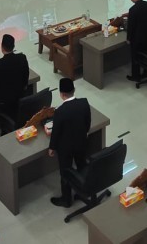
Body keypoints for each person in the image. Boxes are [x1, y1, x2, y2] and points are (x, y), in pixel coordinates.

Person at [48, 78, 92, 206]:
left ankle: (66, 199)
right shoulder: (84, 103)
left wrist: (52, 147)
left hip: (65, 148)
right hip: (81, 143)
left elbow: (56, 132)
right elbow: (87, 123)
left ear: (61, 94)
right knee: (82, 166)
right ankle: (83, 191)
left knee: (65, 172)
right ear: (74, 90)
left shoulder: (60, 111)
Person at [0, 34, 29, 135]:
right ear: (13, 46)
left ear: (2, 47)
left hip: (4, 103)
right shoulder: (22, 58)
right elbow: (26, 76)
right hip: (20, 97)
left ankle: (5, 130)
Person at [125, 0, 147, 83]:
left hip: (136, 39)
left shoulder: (133, 10)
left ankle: (135, 76)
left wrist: (128, 38)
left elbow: (131, 26)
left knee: (135, 57)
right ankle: (146, 72)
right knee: (146, 54)